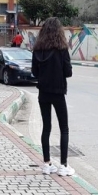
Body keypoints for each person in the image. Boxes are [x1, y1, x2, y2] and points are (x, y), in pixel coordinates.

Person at [31, 17, 74, 177]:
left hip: (43, 93)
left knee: (46, 127)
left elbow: (34, 72)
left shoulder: (37, 49)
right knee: (64, 128)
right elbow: (68, 72)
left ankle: (47, 164)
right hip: (58, 93)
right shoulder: (62, 49)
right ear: (59, 32)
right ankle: (63, 166)